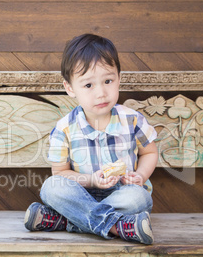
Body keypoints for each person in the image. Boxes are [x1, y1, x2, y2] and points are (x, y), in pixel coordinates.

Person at [24, 34, 158, 244]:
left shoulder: (132, 120)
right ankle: (117, 226)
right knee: (51, 187)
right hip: (80, 193)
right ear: (70, 88)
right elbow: (60, 173)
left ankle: (66, 221)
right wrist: (92, 180)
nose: (101, 93)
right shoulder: (64, 129)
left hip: (122, 193)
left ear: (119, 78)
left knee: (139, 198)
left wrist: (140, 175)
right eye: (88, 85)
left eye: (108, 81)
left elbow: (149, 152)